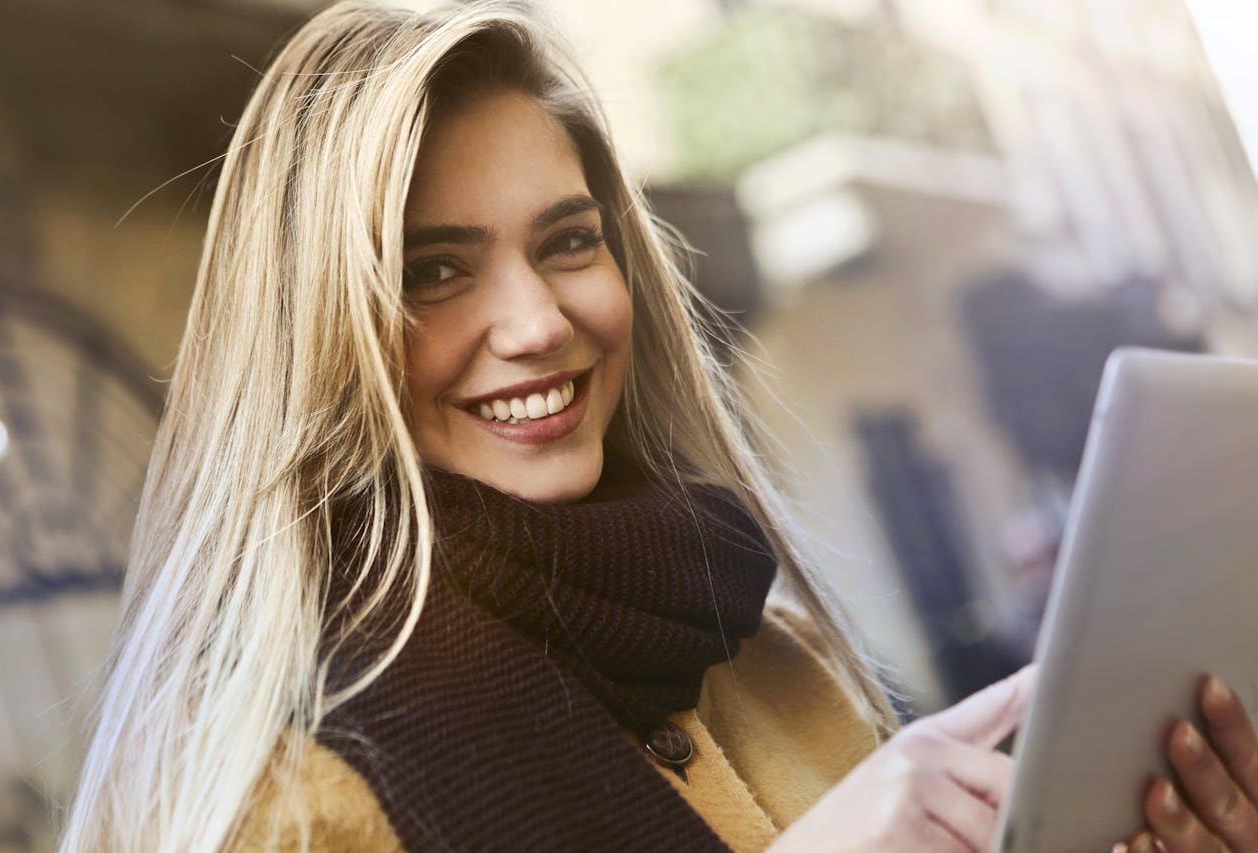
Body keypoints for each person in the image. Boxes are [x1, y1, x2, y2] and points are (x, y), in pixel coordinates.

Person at [62, 2, 1258, 851]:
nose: (535, 322)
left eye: (567, 241)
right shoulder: (281, 798)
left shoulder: (776, 655)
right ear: (313, 336)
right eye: (433, 271)